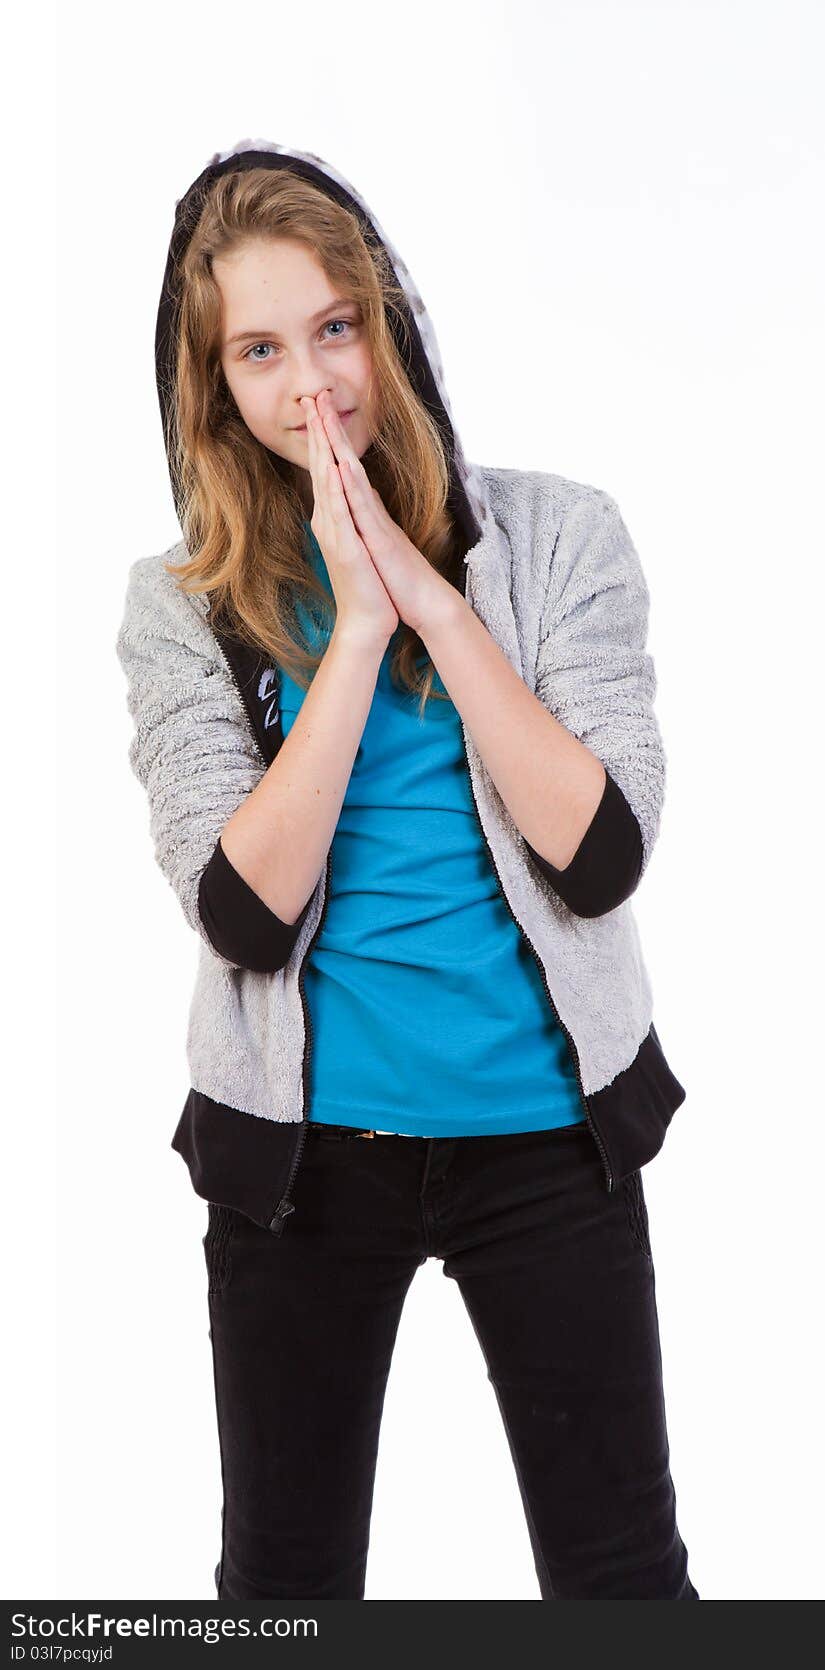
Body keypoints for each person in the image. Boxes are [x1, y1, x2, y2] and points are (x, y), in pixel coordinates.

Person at [116, 138, 699, 1601]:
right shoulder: (180, 606)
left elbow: (601, 852)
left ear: (388, 325)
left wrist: (429, 600)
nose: (308, 384)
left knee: (623, 1580)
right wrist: (354, 631)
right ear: (213, 388)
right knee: (283, 1592)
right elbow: (242, 911)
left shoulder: (561, 535)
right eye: (259, 349)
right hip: (303, 1165)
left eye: (333, 328)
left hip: (545, 1145)